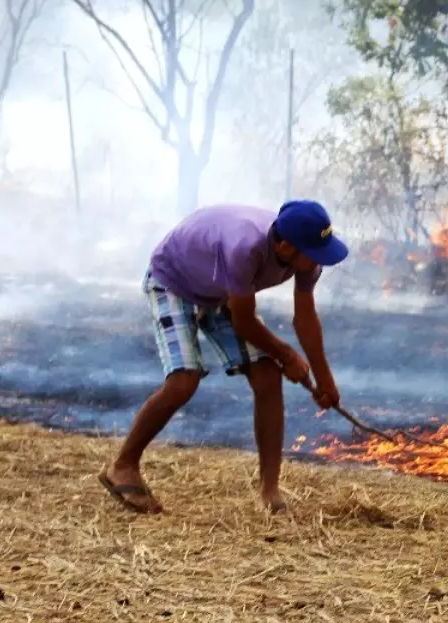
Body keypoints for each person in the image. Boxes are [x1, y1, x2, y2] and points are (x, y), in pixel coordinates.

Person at [98, 200, 349, 515]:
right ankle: (123, 466)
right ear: (285, 247)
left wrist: (325, 379)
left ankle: (269, 490)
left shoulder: (306, 256)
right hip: (173, 281)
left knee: (267, 375)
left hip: (219, 290)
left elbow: (305, 319)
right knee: (183, 381)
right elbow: (244, 321)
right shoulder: (245, 249)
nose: (319, 262)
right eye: (314, 253)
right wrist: (285, 354)